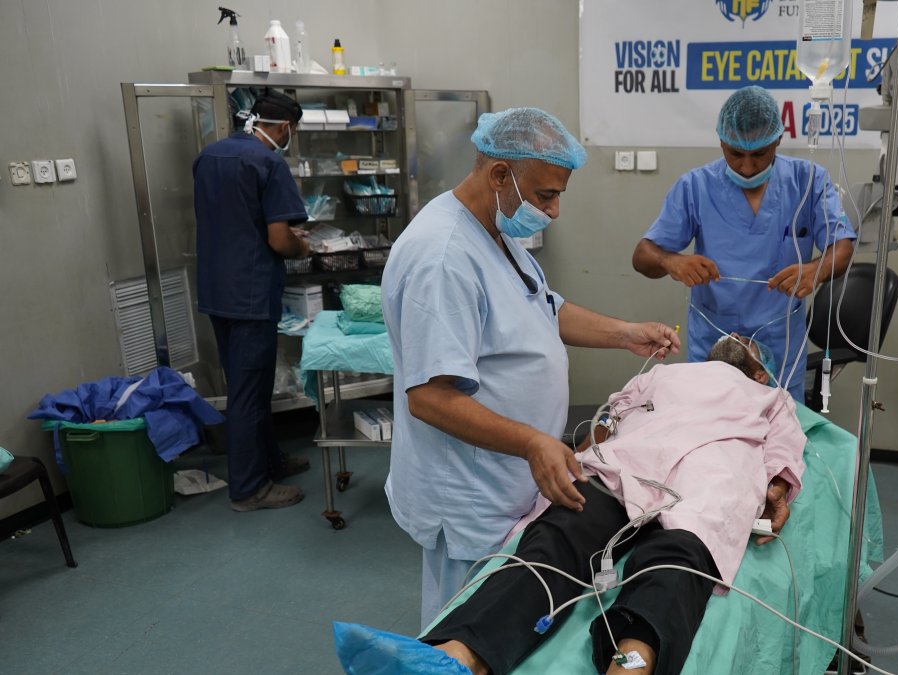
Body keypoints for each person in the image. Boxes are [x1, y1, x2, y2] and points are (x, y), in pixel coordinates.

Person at [334, 336, 805, 675]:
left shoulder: (770, 394)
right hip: (639, 463)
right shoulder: (670, 373)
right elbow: (611, 419)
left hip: (697, 469)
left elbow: (781, 458)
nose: (736, 339)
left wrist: (778, 493)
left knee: (658, 559)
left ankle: (479, 658)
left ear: (758, 371)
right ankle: (454, 660)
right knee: (569, 537)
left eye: (744, 342)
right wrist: (776, 496)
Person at [381, 107, 682, 627]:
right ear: (500, 175)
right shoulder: (443, 258)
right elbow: (429, 396)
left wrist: (624, 333)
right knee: (468, 630)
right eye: (546, 195)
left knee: (508, 620)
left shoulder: (496, 235)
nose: (555, 210)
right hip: (471, 492)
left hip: (509, 480)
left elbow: (544, 309)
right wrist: (533, 442)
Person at [632, 85, 857, 401]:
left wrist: (816, 270)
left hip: (780, 346)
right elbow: (642, 256)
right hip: (713, 346)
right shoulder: (696, 187)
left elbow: (842, 246)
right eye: (735, 154)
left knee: (778, 434)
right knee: (712, 434)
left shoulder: (808, 182)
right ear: (721, 141)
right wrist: (673, 262)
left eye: (759, 154)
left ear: (777, 140)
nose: (747, 167)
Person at [192, 88, 312, 512]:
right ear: (284, 127)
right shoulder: (268, 162)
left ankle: (269, 463)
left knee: (246, 385)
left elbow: (229, 218)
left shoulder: (210, 157)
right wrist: (302, 247)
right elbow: (278, 239)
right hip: (251, 292)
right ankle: (249, 488)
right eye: (291, 131)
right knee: (249, 393)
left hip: (216, 289)